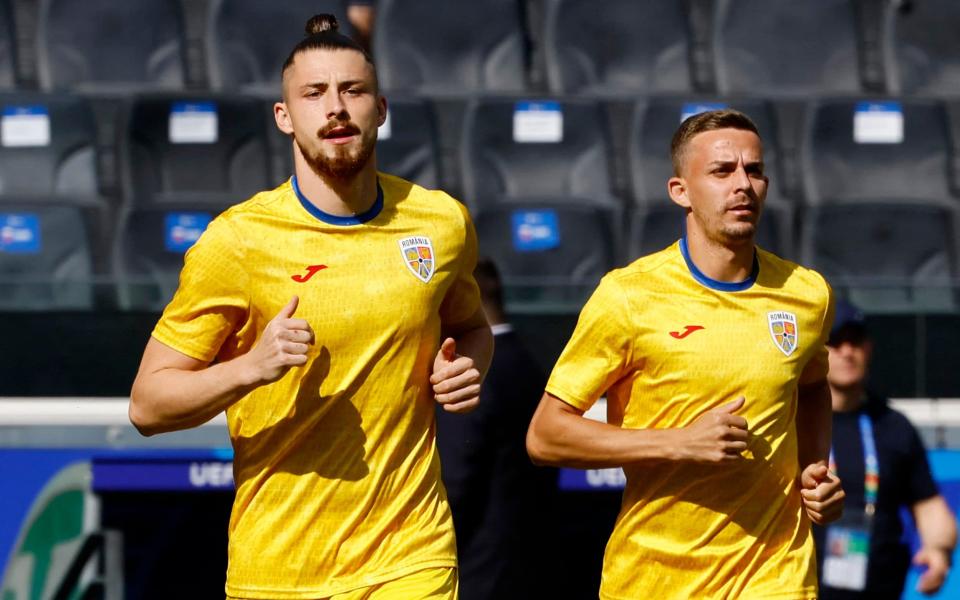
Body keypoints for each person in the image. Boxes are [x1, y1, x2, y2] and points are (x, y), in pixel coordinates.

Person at [128, 14, 493, 600]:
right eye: (314, 93)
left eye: (352, 90)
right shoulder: (238, 241)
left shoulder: (440, 222)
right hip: (279, 565)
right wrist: (252, 367)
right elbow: (148, 405)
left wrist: (465, 370)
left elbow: (472, 328)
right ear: (284, 116)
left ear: (381, 107)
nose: (336, 108)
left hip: (411, 554)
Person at [526, 108, 846, 599]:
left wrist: (814, 466)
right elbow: (546, 437)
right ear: (681, 192)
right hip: (656, 578)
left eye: (754, 170)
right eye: (722, 171)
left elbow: (813, 385)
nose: (743, 184)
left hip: (776, 574)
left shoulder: (807, 294)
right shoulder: (628, 297)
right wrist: (679, 442)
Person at [814, 299, 957, 599]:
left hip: (880, 590)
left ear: (869, 348)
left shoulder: (894, 427)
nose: (847, 351)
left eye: (855, 341)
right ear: (817, 351)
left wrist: (939, 552)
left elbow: (929, 507)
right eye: (835, 341)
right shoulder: (793, 421)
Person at [435, 257, 558, 600]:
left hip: (475, 569)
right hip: (523, 563)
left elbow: (457, 478)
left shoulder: (469, 372)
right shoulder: (527, 359)